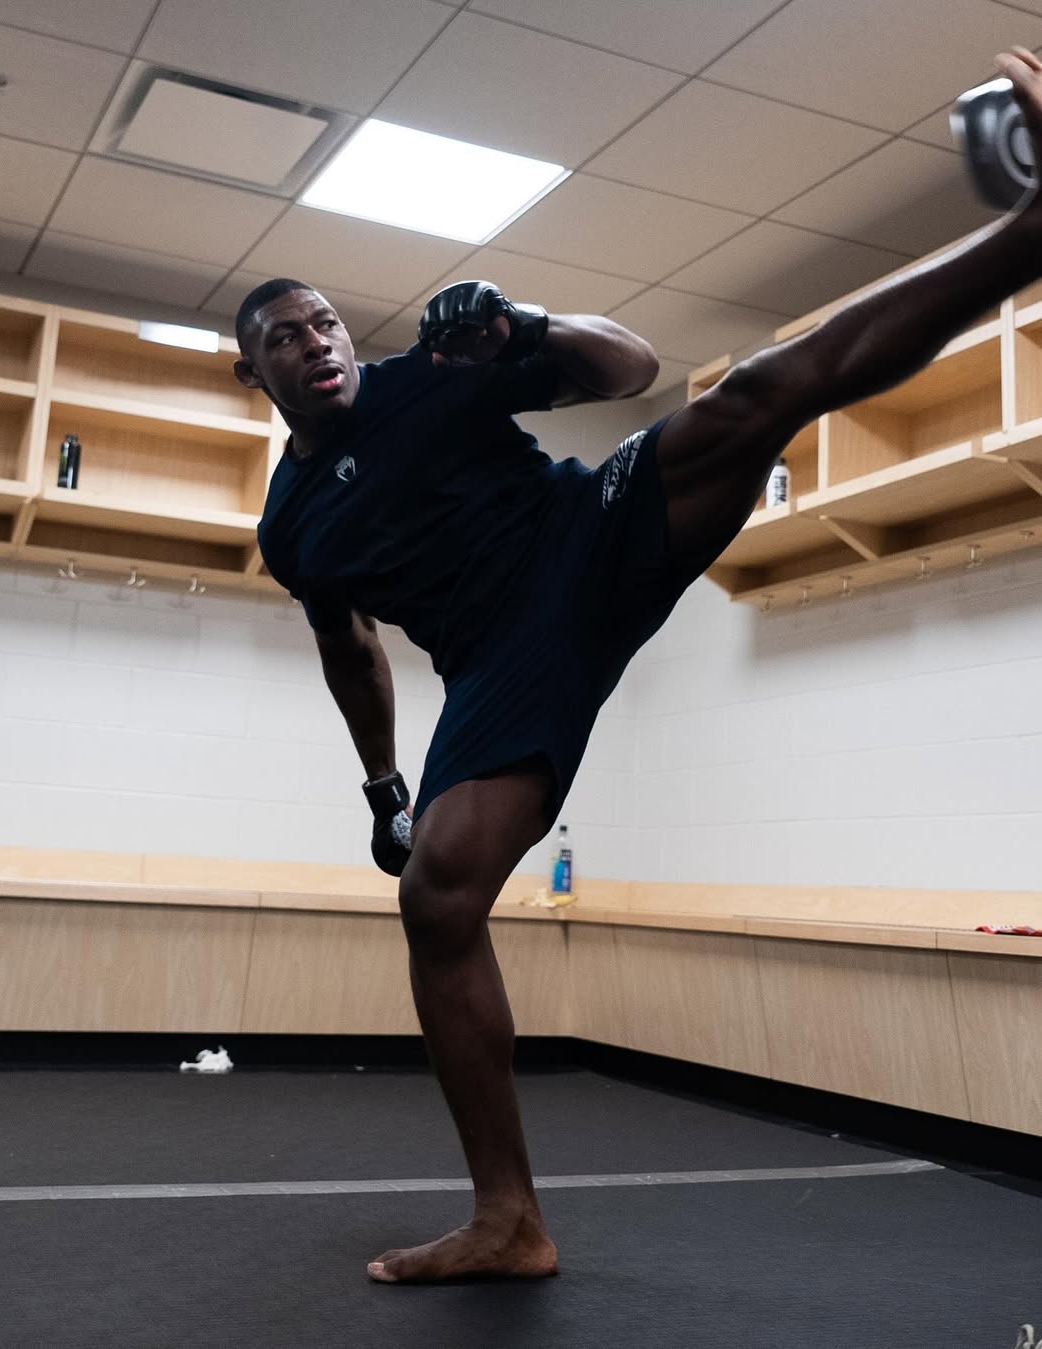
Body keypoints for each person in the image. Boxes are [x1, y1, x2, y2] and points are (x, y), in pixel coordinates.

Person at [235, 47, 1042, 1284]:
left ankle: (1029, 235)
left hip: (591, 528)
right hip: (502, 658)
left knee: (757, 390)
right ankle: (509, 1219)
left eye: (326, 321)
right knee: (437, 897)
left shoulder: (432, 376)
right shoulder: (292, 530)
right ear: (260, 374)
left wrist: (524, 324)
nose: (317, 341)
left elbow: (632, 367)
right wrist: (385, 788)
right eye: (286, 338)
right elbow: (347, 648)